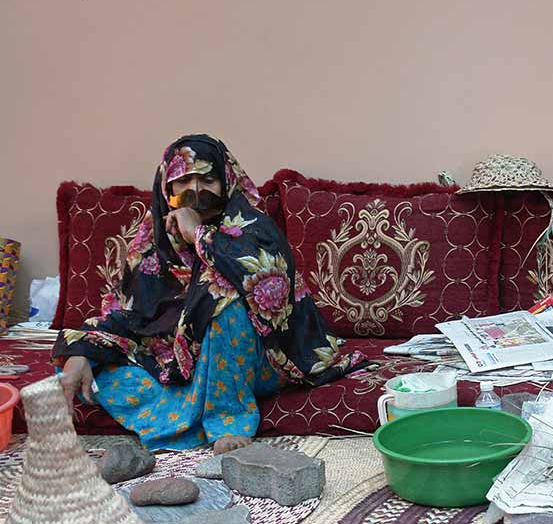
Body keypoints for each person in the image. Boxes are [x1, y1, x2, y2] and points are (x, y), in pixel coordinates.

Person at [53, 134, 366, 452]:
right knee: (82, 363)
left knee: (222, 297)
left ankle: (227, 420)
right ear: (167, 188)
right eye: (183, 181)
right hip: (183, 359)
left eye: (207, 179)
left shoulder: (253, 226)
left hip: (262, 358)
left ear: (226, 181)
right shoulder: (155, 240)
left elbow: (265, 282)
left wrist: (197, 234)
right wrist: (84, 350)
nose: (195, 191)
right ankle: (184, 410)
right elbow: (130, 312)